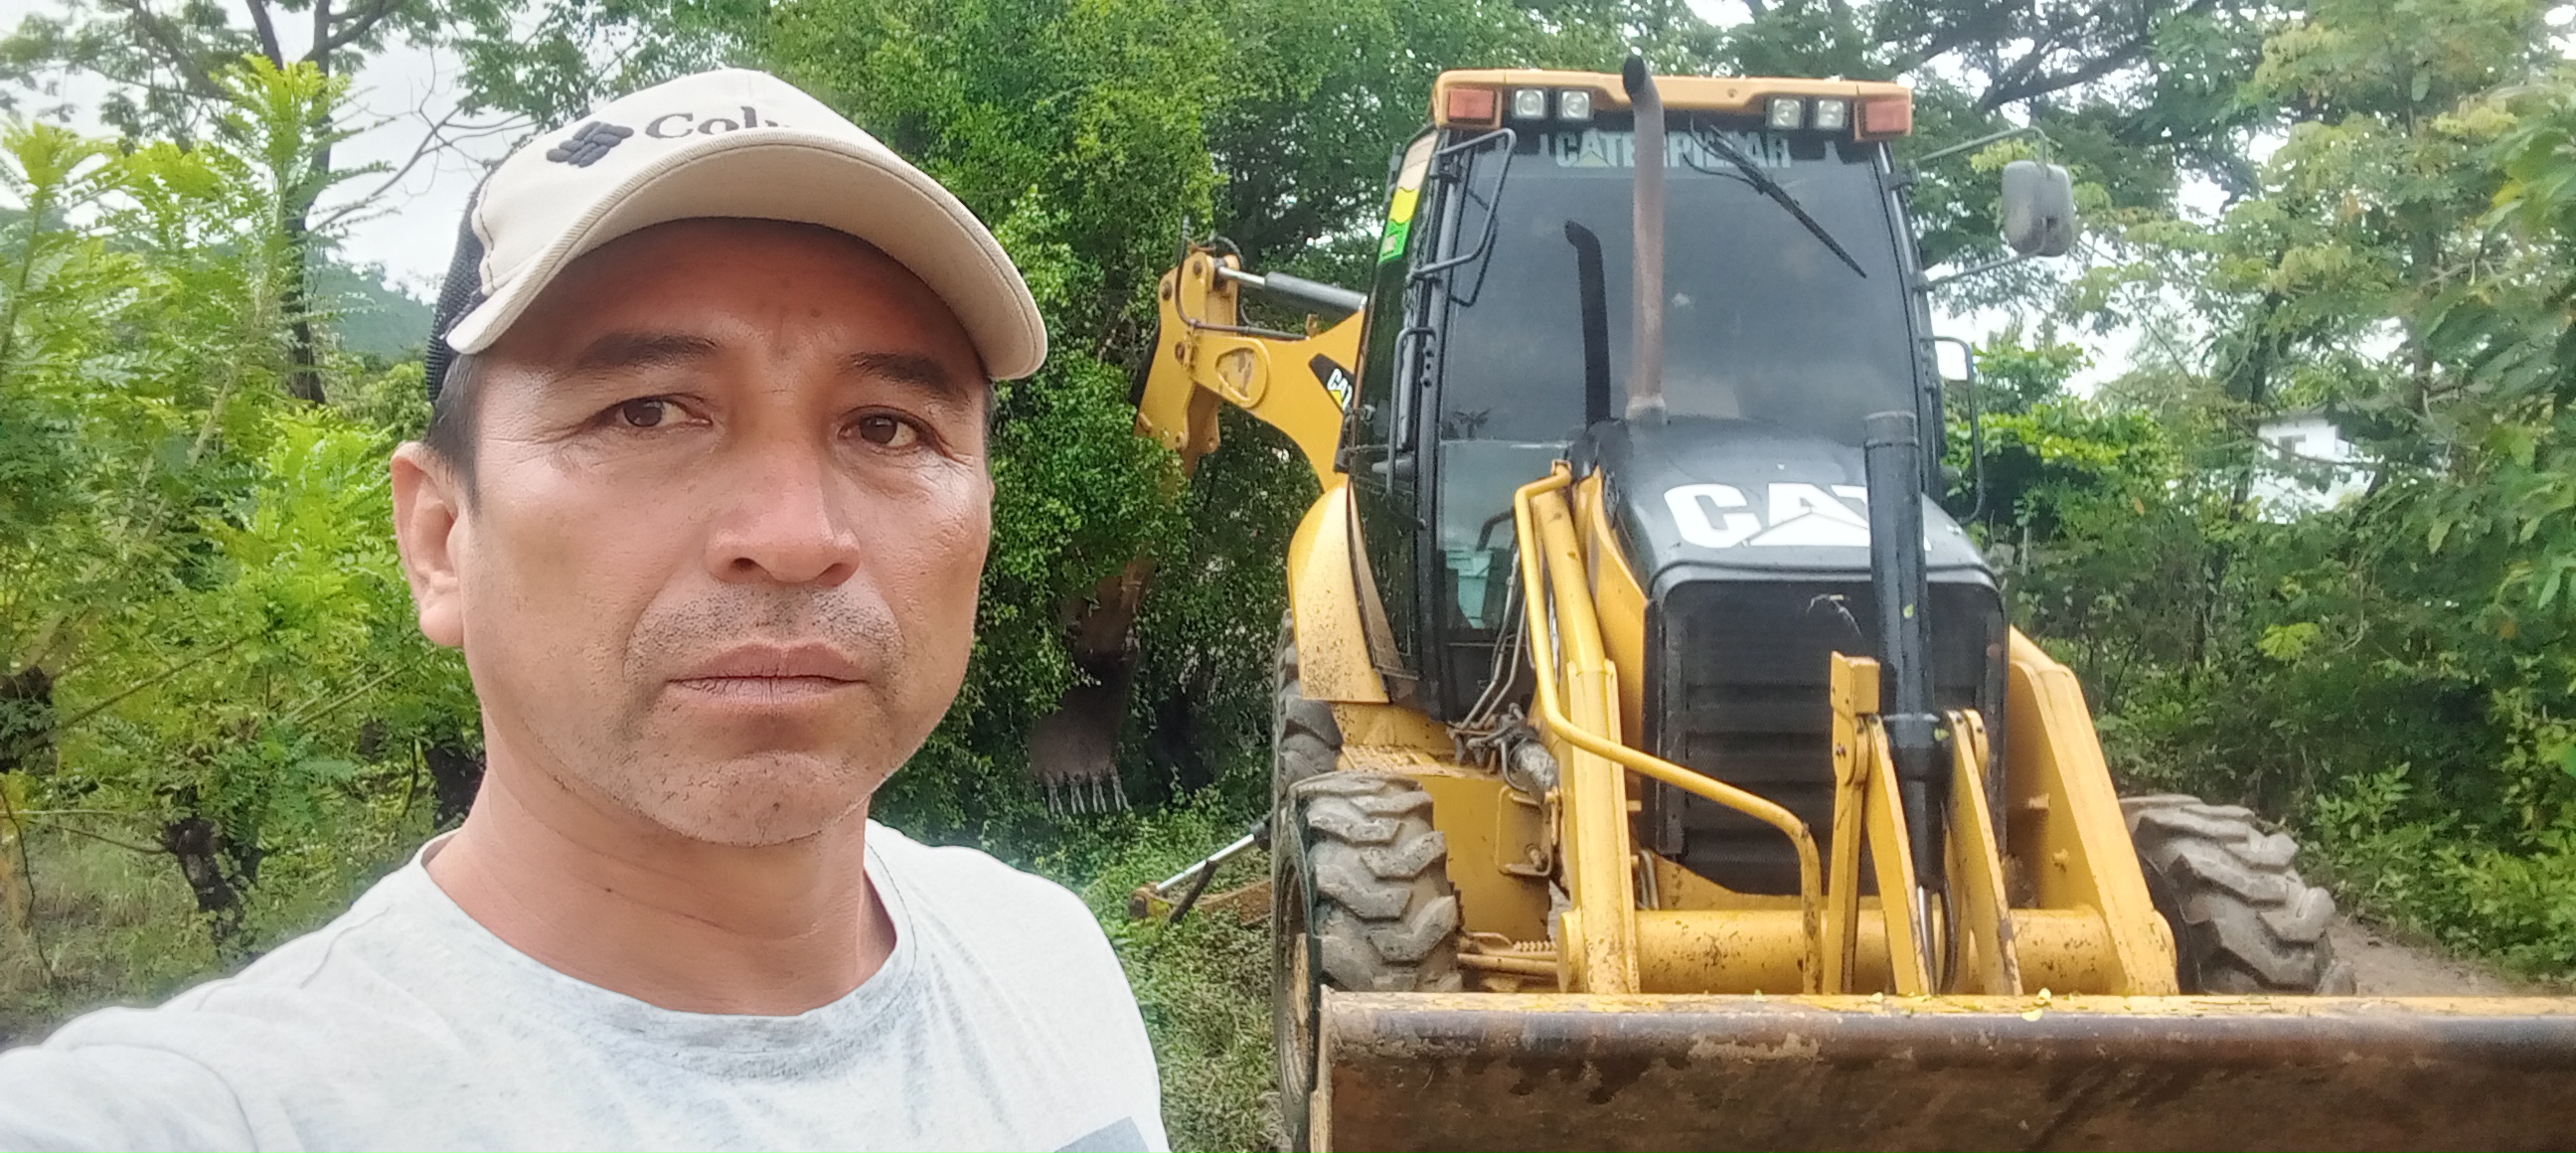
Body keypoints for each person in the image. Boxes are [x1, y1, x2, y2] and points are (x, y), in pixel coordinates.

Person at [0, 68, 1166, 1153]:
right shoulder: (231, 1110)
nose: (796, 534)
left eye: (887, 426)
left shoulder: (1048, 959)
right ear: (440, 538)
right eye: (646, 412)